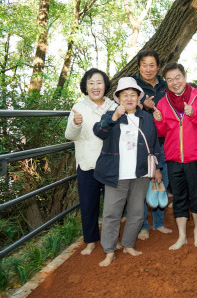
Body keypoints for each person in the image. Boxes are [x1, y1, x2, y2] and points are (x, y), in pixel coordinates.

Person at [93, 77, 162, 266]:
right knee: (111, 213)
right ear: (118, 98)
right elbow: (99, 131)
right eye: (125, 95)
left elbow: (154, 144)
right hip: (117, 174)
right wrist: (114, 117)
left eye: (133, 94)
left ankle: (129, 244)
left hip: (140, 173)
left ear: (139, 97)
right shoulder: (110, 115)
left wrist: (157, 168)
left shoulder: (146, 117)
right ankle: (109, 250)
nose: (129, 98)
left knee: (137, 212)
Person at [152, 62, 197, 250]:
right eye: (169, 79)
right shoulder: (163, 102)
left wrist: (194, 114)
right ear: (166, 82)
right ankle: (181, 236)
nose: (174, 82)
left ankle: (196, 230)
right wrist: (158, 122)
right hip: (174, 159)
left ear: (185, 76)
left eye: (177, 77)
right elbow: (163, 132)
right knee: (179, 197)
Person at [65, 68, 117, 255]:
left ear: (105, 85)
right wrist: (75, 123)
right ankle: (90, 241)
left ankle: (112, 239)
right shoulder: (78, 107)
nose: (96, 87)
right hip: (87, 164)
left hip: (110, 164)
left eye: (99, 82)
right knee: (88, 205)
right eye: (91, 83)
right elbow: (69, 135)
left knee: (113, 205)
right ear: (85, 87)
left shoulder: (114, 106)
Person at [131, 49, 172, 239]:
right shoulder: (132, 86)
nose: (148, 69)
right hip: (140, 143)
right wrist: (142, 107)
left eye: (152, 65)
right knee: (140, 184)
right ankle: (142, 226)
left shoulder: (166, 86)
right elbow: (125, 111)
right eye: (144, 65)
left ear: (158, 66)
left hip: (163, 141)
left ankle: (159, 222)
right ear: (139, 67)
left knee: (161, 181)